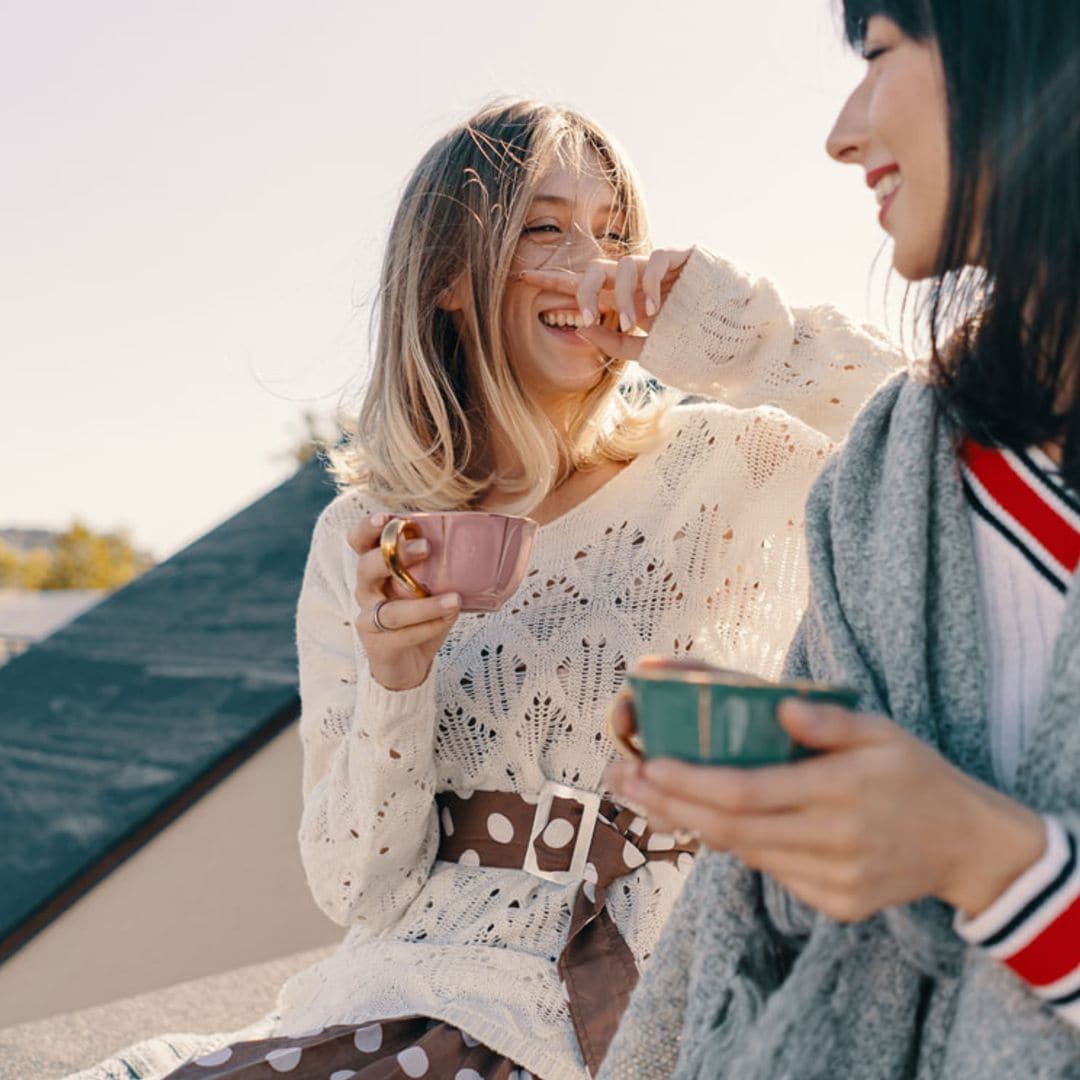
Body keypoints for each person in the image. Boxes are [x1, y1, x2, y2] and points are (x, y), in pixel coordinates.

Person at [77, 99, 900, 1080]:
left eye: (615, 232)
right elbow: (355, 887)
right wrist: (395, 677)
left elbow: (958, 432)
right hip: (421, 1002)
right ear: (448, 279)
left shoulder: (729, 463)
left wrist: (739, 338)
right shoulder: (367, 535)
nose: (593, 264)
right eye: (546, 228)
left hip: (676, 987)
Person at [598, 2, 1080, 1077]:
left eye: (877, 57)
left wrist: (984, 857)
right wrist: (770, 786)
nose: (842, 132)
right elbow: (739, 934)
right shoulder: (889, 469)